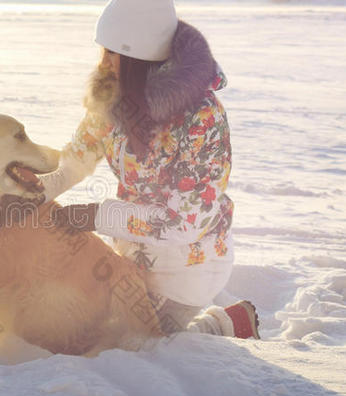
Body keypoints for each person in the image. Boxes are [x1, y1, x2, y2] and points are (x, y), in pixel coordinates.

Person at [42, 0, 260, 339]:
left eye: (113, 55)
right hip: (135, 255)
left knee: (134, 347)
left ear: (140, 59)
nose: (104, 64)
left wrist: (94, 215)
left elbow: (185, 221)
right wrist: (30, 195)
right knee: (79, 328)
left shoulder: (201, 117)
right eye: (104, 52)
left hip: (190, 266)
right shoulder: (113, 96)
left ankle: (222, 324)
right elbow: (75, 160)